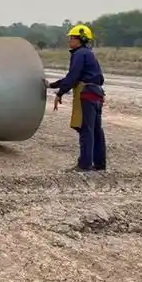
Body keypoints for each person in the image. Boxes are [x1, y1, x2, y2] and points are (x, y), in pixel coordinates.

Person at [48, 23, 106, 172]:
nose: (69, 41)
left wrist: (59, 92)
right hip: (97, 94)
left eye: (71, 38)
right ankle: (99, 164)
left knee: (85, 129)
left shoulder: (79, 54)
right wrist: (54, 85)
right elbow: (98, 77)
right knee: (96, 130)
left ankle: (84, 164)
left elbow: (73, 76)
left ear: (80, 39)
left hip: (86, 94)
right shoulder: (90, 53)